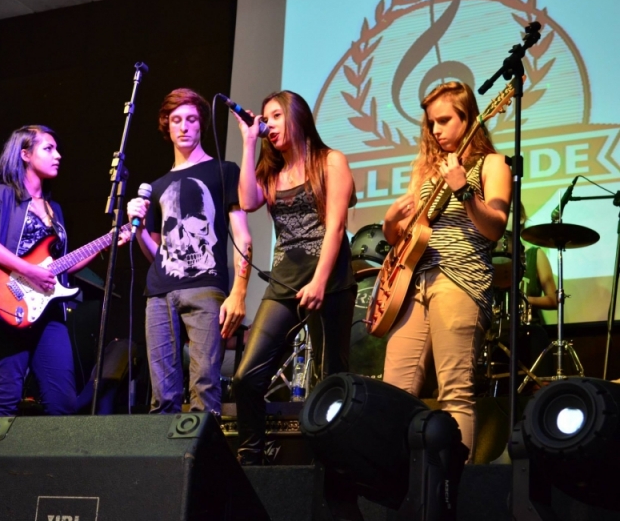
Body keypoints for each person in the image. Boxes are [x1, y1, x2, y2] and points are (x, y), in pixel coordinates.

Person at [381, 81, 512, 461]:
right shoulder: (426, 170)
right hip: (413, 284)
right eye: (430, 123)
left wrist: (464, 191)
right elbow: (404, 238)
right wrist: (390, 223)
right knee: (394, 392)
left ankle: (460, 493)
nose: (435, 130)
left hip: (459, 280)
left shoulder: (493, 164)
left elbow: (495, 227)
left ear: (468, 118)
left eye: (443, 120)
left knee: (455, 392)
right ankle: (402, 488)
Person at [0, 125, 126, 418]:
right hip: (9, 303)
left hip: (50, 312)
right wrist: (27, 270)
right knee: (4, 397)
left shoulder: (56, 209)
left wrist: (107, 243)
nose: (58, 156)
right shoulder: (2, 194)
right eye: (49, 149)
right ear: (25, 154)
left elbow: (60, 265)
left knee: (62, 403)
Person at [233, 90, 355, 465]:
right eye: (264, 118)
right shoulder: (271, 172)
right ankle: (251, 457)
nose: (268, 124)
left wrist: (319, 281)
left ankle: (332, 461)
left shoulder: (330, 160)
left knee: (331, 377)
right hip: (285, 280)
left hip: (330, 279)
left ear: (296, 117)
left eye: (275, 116)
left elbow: (335, 227)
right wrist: (249, 142)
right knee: (246, 377)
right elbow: (247, 201)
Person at [126, 88, 252, 416]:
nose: (183, 126)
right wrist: (137, 228)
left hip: (206, 287)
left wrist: (239, 291)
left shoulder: (224, 172)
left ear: (201, 126)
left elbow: (243, 236)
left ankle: (199, 463)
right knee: (161, 396)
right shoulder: (156, 186)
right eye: (176, 120)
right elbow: (157, 252)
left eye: (191, 120)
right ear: (166, 127)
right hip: (159, 292)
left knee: (206, 387)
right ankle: (160, 464)